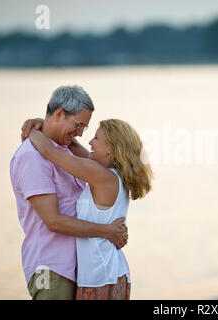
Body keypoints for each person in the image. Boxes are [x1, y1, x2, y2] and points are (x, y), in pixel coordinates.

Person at [10, 85, 128, 300]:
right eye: (78, 125)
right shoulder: (31, 157)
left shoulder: (65, 152)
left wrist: (40, 128)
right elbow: (53, 221)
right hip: (50, 269)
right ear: (59, 114)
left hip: (79, 269)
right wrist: (106, 231)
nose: (81, 134)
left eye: (85, 127)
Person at [28, 118, 153, 299]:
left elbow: (49, 151)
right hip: (109, 274)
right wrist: (49, 127)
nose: (90, 142)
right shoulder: (112, 176)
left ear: (111, 148)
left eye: (96, 138)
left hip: (100, 278)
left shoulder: (101, 176)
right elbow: (78, 150)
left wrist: (31, 130)